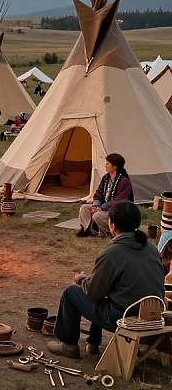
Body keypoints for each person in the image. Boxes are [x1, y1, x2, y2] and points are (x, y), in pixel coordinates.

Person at [48, 201, 165, 359]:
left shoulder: (113, 252)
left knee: (71, 292)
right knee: (105, 291)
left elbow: (92, 292)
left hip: (126, 318)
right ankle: (93, 343)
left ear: (112, 225)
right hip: (153, 316)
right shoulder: (151, 248)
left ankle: (69, 345)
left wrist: (81, 279)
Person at [77, 153, 133, 237]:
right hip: (103, 207)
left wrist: (102, 207)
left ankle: (111, 232)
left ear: (115, 166)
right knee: (84, 208)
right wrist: (96, 204)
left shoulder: (124, 181)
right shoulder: (106, 178)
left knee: (97, 215)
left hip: (118, 211)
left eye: (108, 163)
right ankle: (87, 229)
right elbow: (98, 193)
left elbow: (120, 200)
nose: (105, 165)